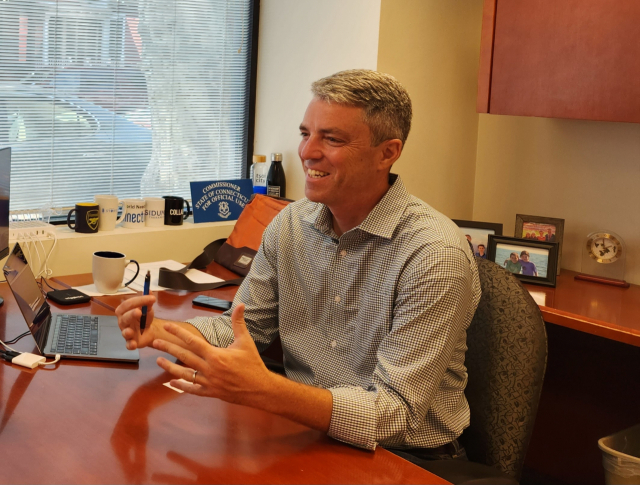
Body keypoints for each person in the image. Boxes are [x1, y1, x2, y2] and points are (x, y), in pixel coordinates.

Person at [116, 69, 481, 459]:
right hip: (306, 429)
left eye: (332, 139)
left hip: (404, 457)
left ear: (387, 153)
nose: (307, 151)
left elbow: (395, 414)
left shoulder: (434, 256)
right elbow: (242, 327)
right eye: (306, 133)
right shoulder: (291, 224)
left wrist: (267, 391)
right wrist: (160, 332)